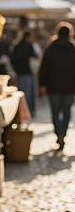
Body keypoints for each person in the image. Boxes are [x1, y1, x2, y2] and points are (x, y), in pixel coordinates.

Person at [39, 22, 75, 151]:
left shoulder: (51, 48)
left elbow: (44, 68)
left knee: (55, 112)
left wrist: (42, 84)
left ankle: (58, 133)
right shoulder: (73, 47)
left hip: (53, 86)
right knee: (66, 112)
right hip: (70, 87)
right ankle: (63, 134)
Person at [10, 31, 39, 116]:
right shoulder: (30, 46)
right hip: (28, 72)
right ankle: (29, 112)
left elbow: (12, 59)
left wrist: (16, 69)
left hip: (20, 73)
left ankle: (20, 113)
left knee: (21, 93)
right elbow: (35, 56)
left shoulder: (17, 46)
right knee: (28, 94)